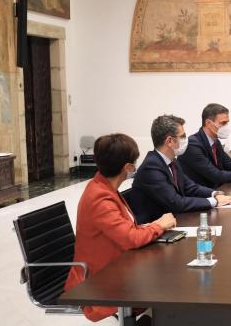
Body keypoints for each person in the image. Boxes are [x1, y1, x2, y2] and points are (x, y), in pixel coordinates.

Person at [64, 133, 176, 324]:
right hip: (101, 279)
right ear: (128, 167)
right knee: (169, 283)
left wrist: (151, 227)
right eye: (134, 162)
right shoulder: (100, 198)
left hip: (117, 265)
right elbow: (130, 238)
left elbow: (124, 228)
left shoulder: (105, 187)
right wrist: (158, 225)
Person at [129, 115, 231, 224]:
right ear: (170, 141)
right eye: (182, 136)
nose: (186, 139)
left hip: (175, 220)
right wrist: (214, 201)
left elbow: (190, 187)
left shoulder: (171, 160)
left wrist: (215, 193)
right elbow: (176, 202)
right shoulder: (151, 167)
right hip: (155, 228)